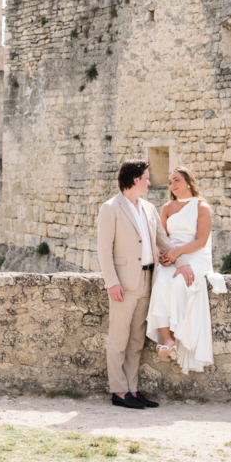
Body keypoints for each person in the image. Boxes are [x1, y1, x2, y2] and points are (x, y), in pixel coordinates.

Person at [96, 160, 167, 409]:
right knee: (118, 340)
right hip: (124, 285)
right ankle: (118, 391)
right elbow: (104, 250)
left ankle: (133, 390)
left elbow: (162, 240)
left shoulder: (149, 207)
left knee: (137, 341)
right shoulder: (110, 208)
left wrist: (183, 261)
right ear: (135, 179)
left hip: (148, 280)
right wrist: (111, 283)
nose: (149, 182)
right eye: (146, 178)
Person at [146, 166, 225, 374]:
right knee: (161, 280)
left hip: (194, 255)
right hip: (171, 255)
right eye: (170, 182)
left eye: (176, 180)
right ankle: (167, 339)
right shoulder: (167, 208)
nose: (172, 185)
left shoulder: (202, 207)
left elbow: (201, 241)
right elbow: (159, 238)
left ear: (188, 182)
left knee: (180, 282)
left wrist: (177, 253)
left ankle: (179, 332)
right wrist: (163, 255)